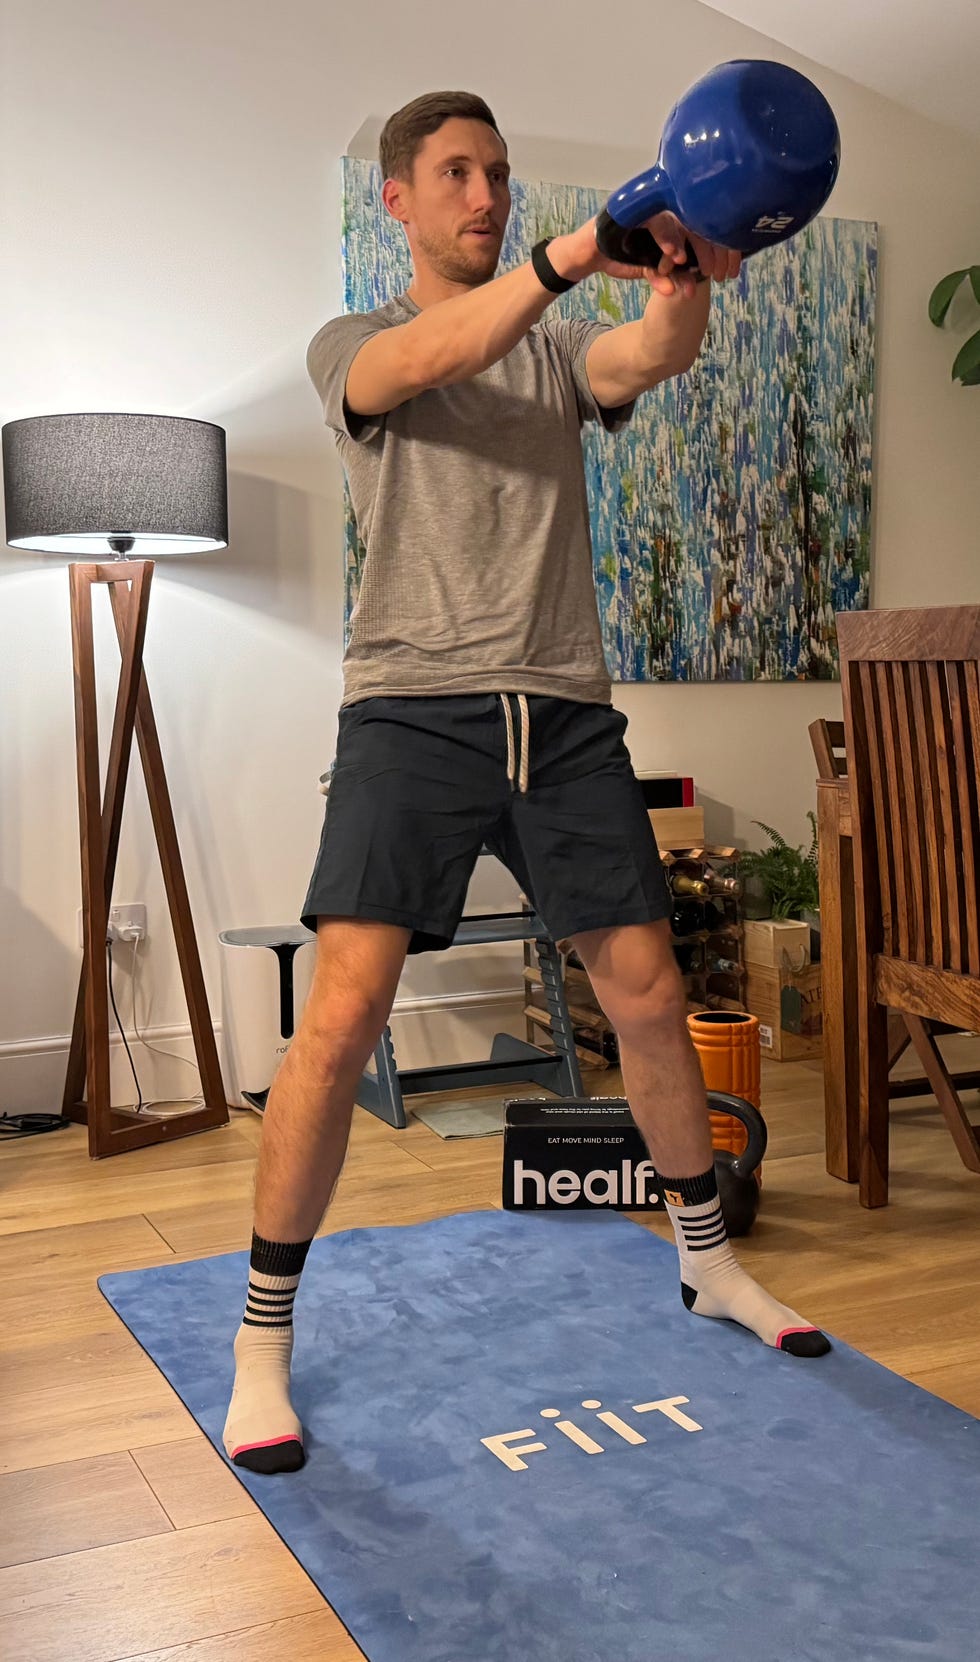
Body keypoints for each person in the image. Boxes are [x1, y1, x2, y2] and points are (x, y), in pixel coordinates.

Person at [222, 89, 830, 1475]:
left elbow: (648, 357)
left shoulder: (554, 356)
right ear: (401, 200)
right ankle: (263, 1339)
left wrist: (680, 274)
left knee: (649, 993)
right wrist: (564, 257)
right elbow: (426, 361)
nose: (483, 193)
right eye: (455, 173)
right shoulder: (356, 344)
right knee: (344, 1013)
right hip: (411, 712)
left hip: (560, 714)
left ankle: (709, 1262)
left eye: (497, 173)